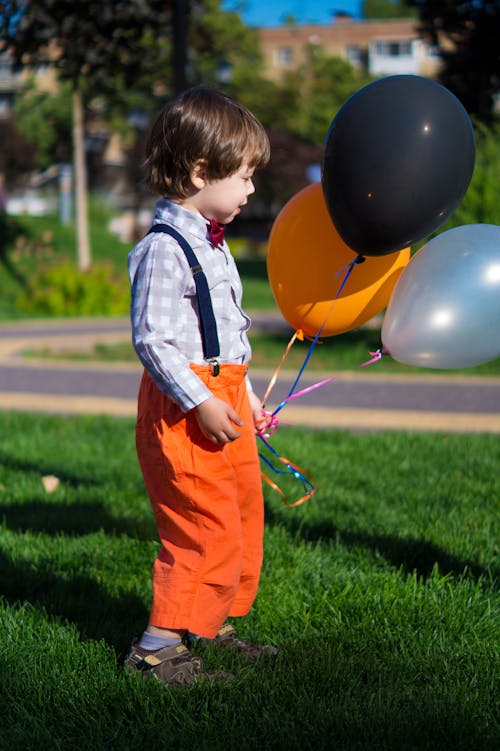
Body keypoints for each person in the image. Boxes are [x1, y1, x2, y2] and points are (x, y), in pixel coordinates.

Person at [126, 86, 276, 687]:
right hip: (187, 411)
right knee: (199, 523)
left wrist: (245, 398)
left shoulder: (214, 245)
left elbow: (224, 339)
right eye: (244, 176)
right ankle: (157, 648)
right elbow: (155, 340)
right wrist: (204, 400)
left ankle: (212, 626)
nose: (251, 190)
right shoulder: (165, 249)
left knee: (239, 515)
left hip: (221, 399)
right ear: (199, 171)